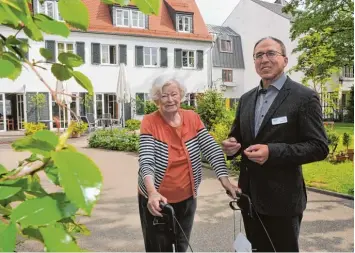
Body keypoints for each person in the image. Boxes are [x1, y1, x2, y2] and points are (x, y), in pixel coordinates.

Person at [222, 37, 329, 252]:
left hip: (283, 200)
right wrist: (232, 146)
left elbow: (319, 147)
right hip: (249, 197)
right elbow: (238, 136)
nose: (264, 59)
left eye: (271, 53)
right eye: (259, 55)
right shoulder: (246, 99)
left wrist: (273, 151)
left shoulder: (304, 97)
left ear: (285, 60)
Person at [137, 76, 239, 252]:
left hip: (187, 198)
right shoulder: (150, 121)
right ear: (156, 99)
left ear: (181, 95)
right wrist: (152, 193)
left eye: (174, 94)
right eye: (164, 96)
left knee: (182, 245)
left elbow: (211, 149)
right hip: (158, 200)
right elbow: (147, 160)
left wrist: (225, 181)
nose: (170, 100)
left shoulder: (191, 117)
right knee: (159, 248)